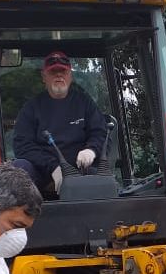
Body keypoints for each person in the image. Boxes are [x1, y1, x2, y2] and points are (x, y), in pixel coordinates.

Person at [12, 51, 107, 197]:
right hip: (43, 173)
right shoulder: (31, 108)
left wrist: (91, 150)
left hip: (80, 170)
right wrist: (53, 167)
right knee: (20, 170)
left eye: (63, 71)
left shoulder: (84, 103)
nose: (58, 75)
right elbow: (22, 146)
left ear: (70, 76)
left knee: (101, 179)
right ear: (44, 77)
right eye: (53, 72)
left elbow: (100, 132)